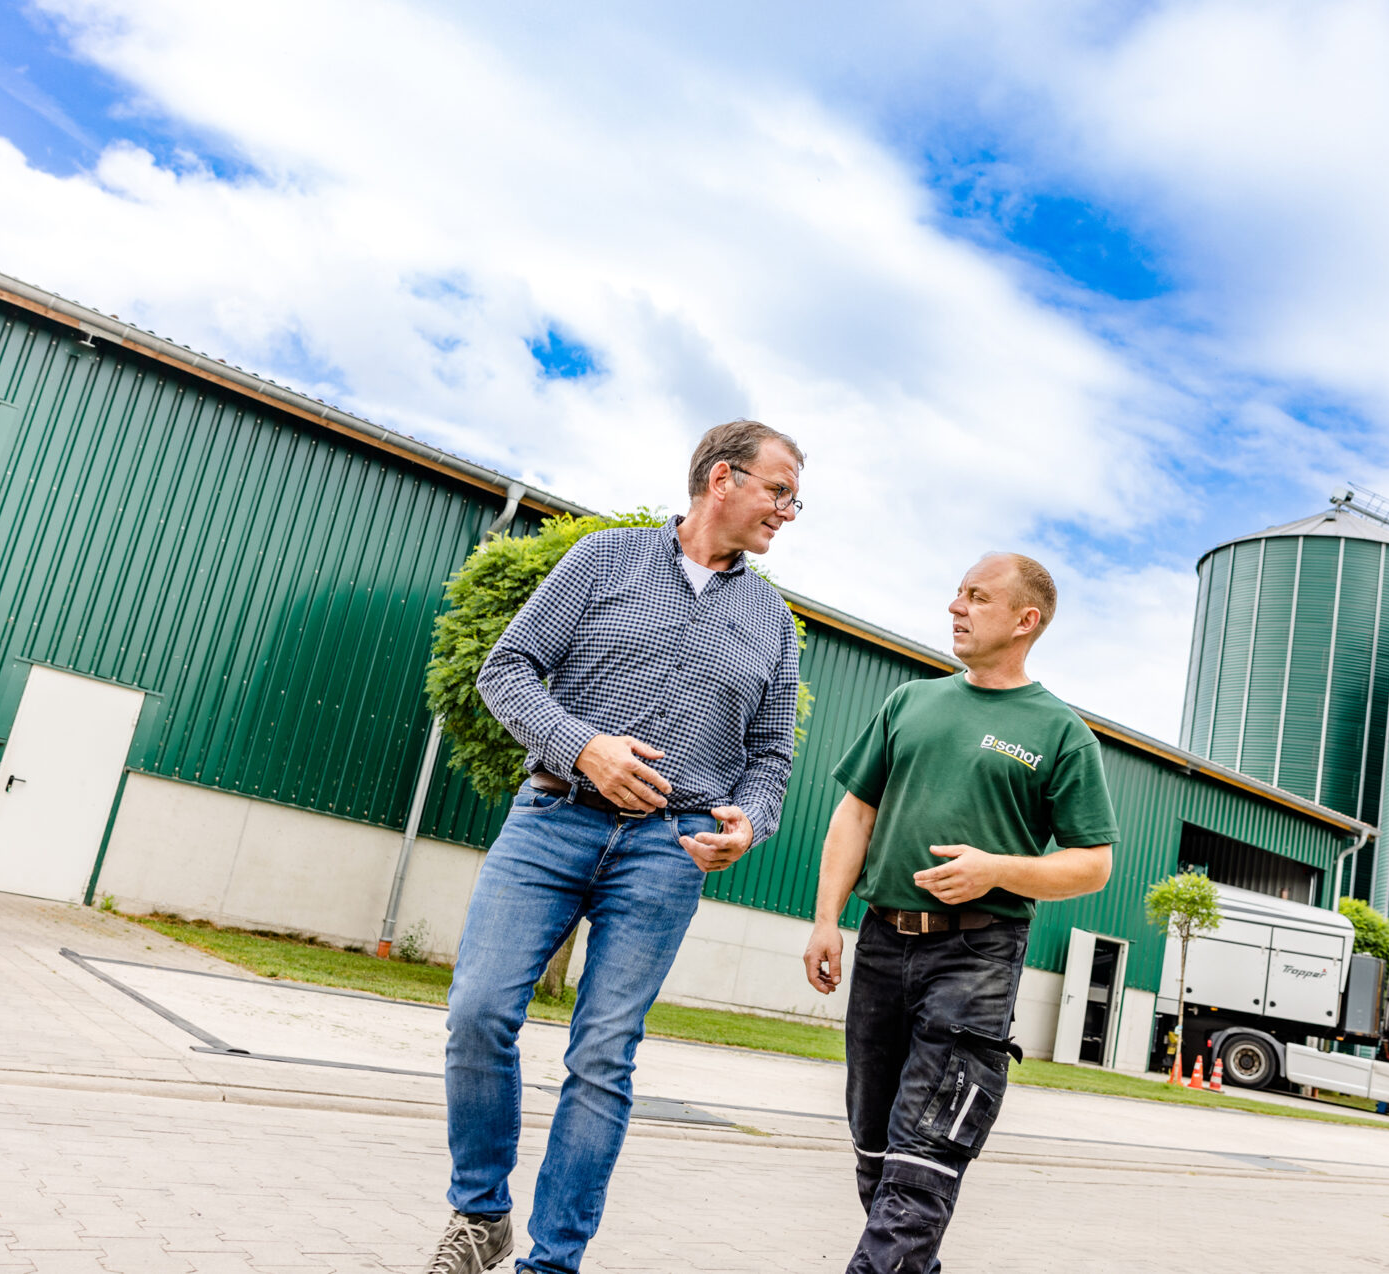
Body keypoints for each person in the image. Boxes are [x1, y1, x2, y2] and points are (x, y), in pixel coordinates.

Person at [427, 420, 805, 1274]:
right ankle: (480, 1213)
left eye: (794, 498)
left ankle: (552, 1262)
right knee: (479, 1012)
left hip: (668, 851)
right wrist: (580, 743)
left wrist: (750, 819)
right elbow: (507, 669)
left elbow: (772, 755)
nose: (788, 511)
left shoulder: (773, 622)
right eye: (779, 491)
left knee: (602, 1053)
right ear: (721, 479)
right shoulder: (602, 561)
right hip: (553, 819)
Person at [803, 552, 1119, 1274]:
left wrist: (996, 870)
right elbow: (854, 816)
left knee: (926, 1159)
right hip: (883, 943)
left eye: (977, 597)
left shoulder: (1059, 732)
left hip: (976, 958)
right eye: (957, 593)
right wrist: (827, 919)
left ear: (1024, 620)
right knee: (877, 1155)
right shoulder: (910, 703)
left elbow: (1093, 862)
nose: (957, 607)